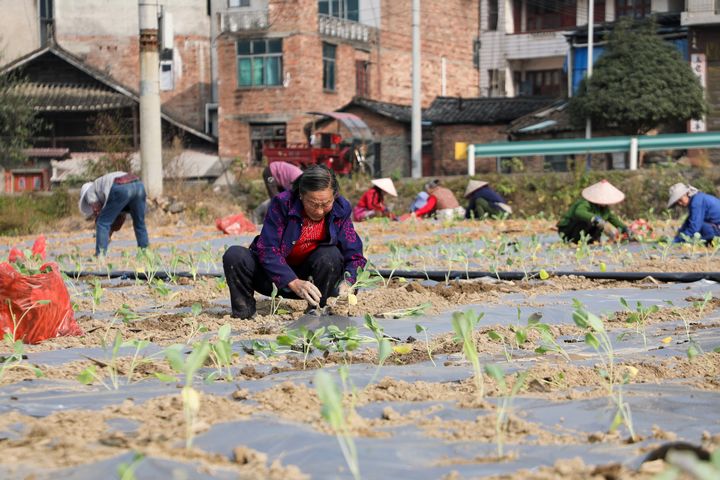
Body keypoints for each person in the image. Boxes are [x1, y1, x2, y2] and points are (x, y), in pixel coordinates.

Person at [222, 165, 367, 319]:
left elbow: (354, 255)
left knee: (330, 254)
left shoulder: (340, 209)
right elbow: (267, 248)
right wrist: (292, 281)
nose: (319, 211)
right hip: (274, 279)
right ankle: (244, 314)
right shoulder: (283, 204)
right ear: (301, 195)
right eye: (313, 203)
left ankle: (318, 309)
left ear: (334, 196)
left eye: (325, 204)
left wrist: (349, 282)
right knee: (235, 255)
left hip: (316, 284)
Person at [79, 171, 149, 256]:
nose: (90, 204)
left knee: (102, 223)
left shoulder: (90, 191)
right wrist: (109, 233)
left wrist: (104, 235)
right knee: (139, 223)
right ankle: (145, 254)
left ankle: (99, 255)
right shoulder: (102, 186)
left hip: (121, 187)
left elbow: (100, 216)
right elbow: (119, 218)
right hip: (139, 185)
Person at [557, 179, 628, 244]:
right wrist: (595, 219)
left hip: (584, 231)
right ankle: (576, 241)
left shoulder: (605, 209)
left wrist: (626, 229)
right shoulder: (585, 203)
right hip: (568, 230)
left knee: (600, 224)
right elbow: (579, 212)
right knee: (592, 221)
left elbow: (614, 219)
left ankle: (592, 240)